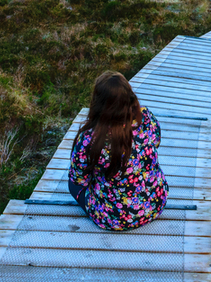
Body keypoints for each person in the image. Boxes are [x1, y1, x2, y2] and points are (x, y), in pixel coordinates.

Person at [68, 71, 169, 231]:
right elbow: (156, 142)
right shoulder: (146, 118)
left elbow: (79, 180)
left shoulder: (89, 139)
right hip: (154, 204)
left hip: (111, 217)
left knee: (73, 184)